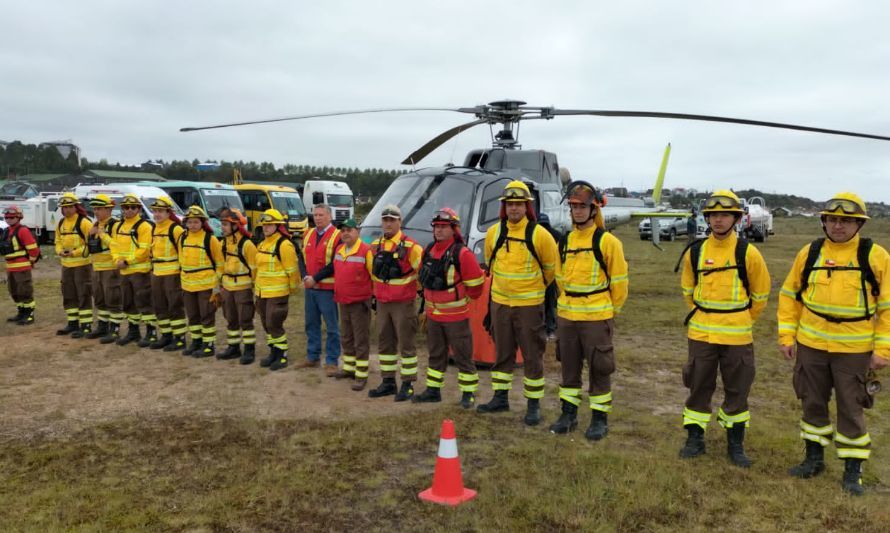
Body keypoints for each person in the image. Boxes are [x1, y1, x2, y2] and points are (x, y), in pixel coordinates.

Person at [777, 192, 889, 496]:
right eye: (832, 220)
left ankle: (853, 471)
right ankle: (813, 460)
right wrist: (787, 336)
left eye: (846, 221)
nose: (838, 226)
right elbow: (789, 296)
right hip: (811, 346)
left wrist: (882, 350)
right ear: (824, 222)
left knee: (851, 409)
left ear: (859, 224)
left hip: (854, 351)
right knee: (811, 402)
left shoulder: (875, 256)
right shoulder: (809, 252)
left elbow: (888, 307)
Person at [677, 190, 770, 467]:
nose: (718, 220)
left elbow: (761, 294)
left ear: (736, 219)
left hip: (737, 335)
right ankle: (695, 439)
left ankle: (735, 445)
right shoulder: (695, 252)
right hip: (702, 333)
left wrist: (739, 318)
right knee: (698, 385)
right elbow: (687, 289)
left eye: (724, 215)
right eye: (713, 215)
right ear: (707, 218)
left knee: (737, 389)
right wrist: (704, 315)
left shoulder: (748, 253)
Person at [549, 182, 628, 440]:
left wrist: (607, 312)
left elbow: (619, 284)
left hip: (596, 317)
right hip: (568, 316)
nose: (578, 211)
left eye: (583, 206)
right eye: (573, 207)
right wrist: (567, 305)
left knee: (600, 369)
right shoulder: (566, 241)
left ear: (594, 210)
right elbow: (559, 277)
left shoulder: (608, 242)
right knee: (568, 368)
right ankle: (568, 414)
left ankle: (599, 419)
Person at [477, 180, 558, 426]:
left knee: (533, 355)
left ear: (527, 207)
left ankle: (533, 405)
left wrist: (529, 292)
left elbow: (551, 271)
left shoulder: (540, 235)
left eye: (518, 204)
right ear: (504, 207)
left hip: (529, 306)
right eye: (510, 204)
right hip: (500, 304)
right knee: (502, 354)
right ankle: (500, 399)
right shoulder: (494, 233)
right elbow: (491, 265)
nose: (514, 209)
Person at [412, 208, 486, 408]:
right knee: (436, 354)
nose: (439, 230)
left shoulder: (462, 253)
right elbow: (422, 276)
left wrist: (462, 299)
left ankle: (468, 393)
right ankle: (433, 391)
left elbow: (477, 284)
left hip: (456, 317)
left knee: (463, 355)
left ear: (454, 229)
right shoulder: (428, 249)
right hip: (434, 315)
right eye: (436, 227)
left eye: (444, 227)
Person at [306, 218, 373, 390]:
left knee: (360, 339)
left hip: (359, 303)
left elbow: (374, 277)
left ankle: (361, 374)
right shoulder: (340, 250)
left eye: (349, 230)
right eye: (343, 230)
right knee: (347, 337)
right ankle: (349, 369)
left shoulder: (366, 251)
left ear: (357, 232)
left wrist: (373, 300)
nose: (345, 233)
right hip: (343, 300)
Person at [368, 204, 424, 401]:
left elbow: (423, 274)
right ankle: (388, 382)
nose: (388, 223)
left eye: (393, 219)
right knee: (385, 344)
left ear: (400, 222)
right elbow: (371, 273)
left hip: (403, 304)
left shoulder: (412, 247)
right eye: (385, 220)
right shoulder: (374, 246)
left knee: (407, 344)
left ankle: (408, 384)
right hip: (382, 303)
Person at [254, 209, 300, 371]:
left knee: (274, 323)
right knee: (266, 324)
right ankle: (273, 352)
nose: (266, 228)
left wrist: (292, 290)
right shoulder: (262, 244)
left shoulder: (284, 245)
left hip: (277, 293)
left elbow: (292, 271)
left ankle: (282, 355)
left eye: (270, 225)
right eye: (264, 225)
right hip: (262, 292)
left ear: (278, 225)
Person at [300, 204, 342, 375]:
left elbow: (335, 263)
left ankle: (332, 360)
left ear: (329, 216)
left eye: (321, 215)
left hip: (326, 289)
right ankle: (313, 356)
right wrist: (305, 277)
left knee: (331, 326)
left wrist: (315, 278)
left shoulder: (338, 236)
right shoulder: (308, 233)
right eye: (315, 215)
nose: (317, 218)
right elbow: (301, 258)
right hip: (310, 288)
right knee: (311, 324)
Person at [178, 206, 224, 357]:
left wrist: (216, 285)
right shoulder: (183, 238)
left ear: (202, 222)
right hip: (187, 284)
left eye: (196, 222)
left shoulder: (210, 239)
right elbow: (181, 259)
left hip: (205, 285)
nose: (192, 225)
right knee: (192, 315)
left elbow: (219, 262)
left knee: (206, 315)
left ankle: (208, 345)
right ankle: (196, 342)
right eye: (189, 222)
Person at [110, 194, 154, 346]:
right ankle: (133, 332)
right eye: (125, 207)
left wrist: (128, 261)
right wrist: (117, 260)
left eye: (132, 207)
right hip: (123, 271)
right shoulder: (118, 226)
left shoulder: (145, 226)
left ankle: (151, 332)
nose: (128, 210)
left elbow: (145, 249)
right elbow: (114, 246)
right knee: (128, 303)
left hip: (140, 272)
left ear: (139, 209)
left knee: (144, 302)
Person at [218, 208, 257, 364]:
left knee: (245, 320)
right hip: (227, 288)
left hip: (243, 289)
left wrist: (254, 288)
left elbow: (255, 269)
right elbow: (221, 265)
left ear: (235, 226)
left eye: (226, 224)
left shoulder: (247, 245)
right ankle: (233, 348)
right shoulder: (223, 243)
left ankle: (249, 350)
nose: (223, 227)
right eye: (222, 224)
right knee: (231, 319)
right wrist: (221, 284)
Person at [148, 197, 187, 351]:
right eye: (155, 211)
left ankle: (179, 338)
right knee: (160, 306)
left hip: (172, 274)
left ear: (168, 212)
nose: (157, 214)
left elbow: (183, 252)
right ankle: (166, 335)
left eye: (160, 211)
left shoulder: (175, 229)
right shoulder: (154, 228)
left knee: (174, 306)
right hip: (157, 273)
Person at [55, 192, 94, 338]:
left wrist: (75, 253)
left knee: (83, 293)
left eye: (69, 206)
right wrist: (60, 252)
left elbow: (92, 245)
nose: (66, 210)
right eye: (64, 207)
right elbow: (57, 241)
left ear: (76, 207)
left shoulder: (84, 222)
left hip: (82, 265)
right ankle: (72, 323)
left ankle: (86, 325)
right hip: (66, 265)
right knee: (68, 294)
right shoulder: (61, 223)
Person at [84, 195, 122, 341]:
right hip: (96, 268)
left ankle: (115, 329)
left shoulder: (115, 225)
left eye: (99, 208)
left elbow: (116, 245)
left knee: (113, 298)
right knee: (100, 299)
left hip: (110, 269)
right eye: (94, 209)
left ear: (109, 209)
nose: (96, 212)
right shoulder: (95, 225)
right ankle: (102, 327)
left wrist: (101, 234)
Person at [1, 206, 40, 325]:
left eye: (12, 217)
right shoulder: (7, 230)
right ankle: (21, 312)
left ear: (19, 217)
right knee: (14, 291)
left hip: (22, 267)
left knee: (25, 291)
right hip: (10, 267)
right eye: (6, 217)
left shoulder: (23, 230)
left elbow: (34, 250)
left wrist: (31, 262)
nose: (9, 219)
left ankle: (29, 314)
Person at [537, 212, 562, 340]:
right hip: (552, 275)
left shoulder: (535, 235)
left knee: (541, 303)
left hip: (538, 277)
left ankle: (544, 328)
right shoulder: (558, 235)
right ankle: (550, 329)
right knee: (551, 302)